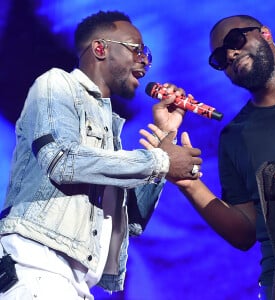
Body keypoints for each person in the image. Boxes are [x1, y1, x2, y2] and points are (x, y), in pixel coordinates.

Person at [0, 10, 202, 299]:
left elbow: (132, 219)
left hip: (71, 284)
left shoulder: (105, 140)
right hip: (36, 273)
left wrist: (164, 141)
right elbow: (61, 161)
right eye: (136, 50)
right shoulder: (54, 84)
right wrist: (161, 161)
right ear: (99, 49)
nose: (144, 60)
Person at [140, 14, 275, 300]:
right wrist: (187, 181)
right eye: (219, 58)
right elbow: (243, 234)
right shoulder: (235, 136)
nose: (230, 54)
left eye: (235, 40)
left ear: (265, 34)